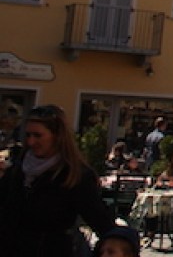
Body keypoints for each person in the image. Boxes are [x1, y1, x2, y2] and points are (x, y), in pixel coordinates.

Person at [0, 104, 117, 255]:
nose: (31, 142)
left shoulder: (75, 175)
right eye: (28, 135)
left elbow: (100, 221)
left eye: (38, 135)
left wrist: (120, 243)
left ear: (57, 136)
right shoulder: (17, 168)